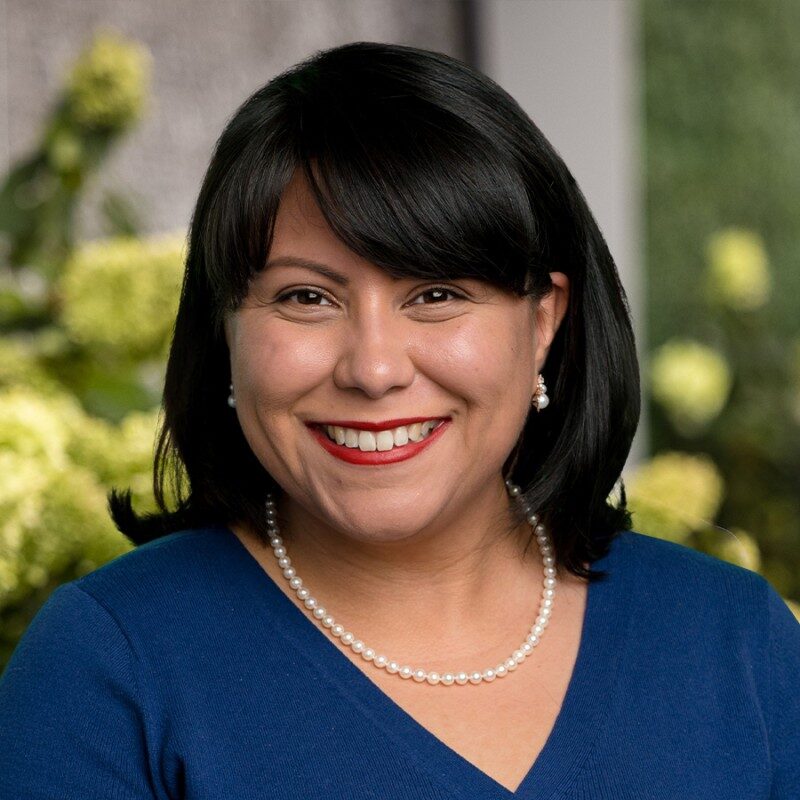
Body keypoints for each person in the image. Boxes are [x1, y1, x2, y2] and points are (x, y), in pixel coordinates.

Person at [0, 41, 798, 800]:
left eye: (436, 294)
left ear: (544, 321)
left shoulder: (736, 644)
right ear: (226, 330)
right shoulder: (109, 668)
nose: (374, 370)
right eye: (305, 298)